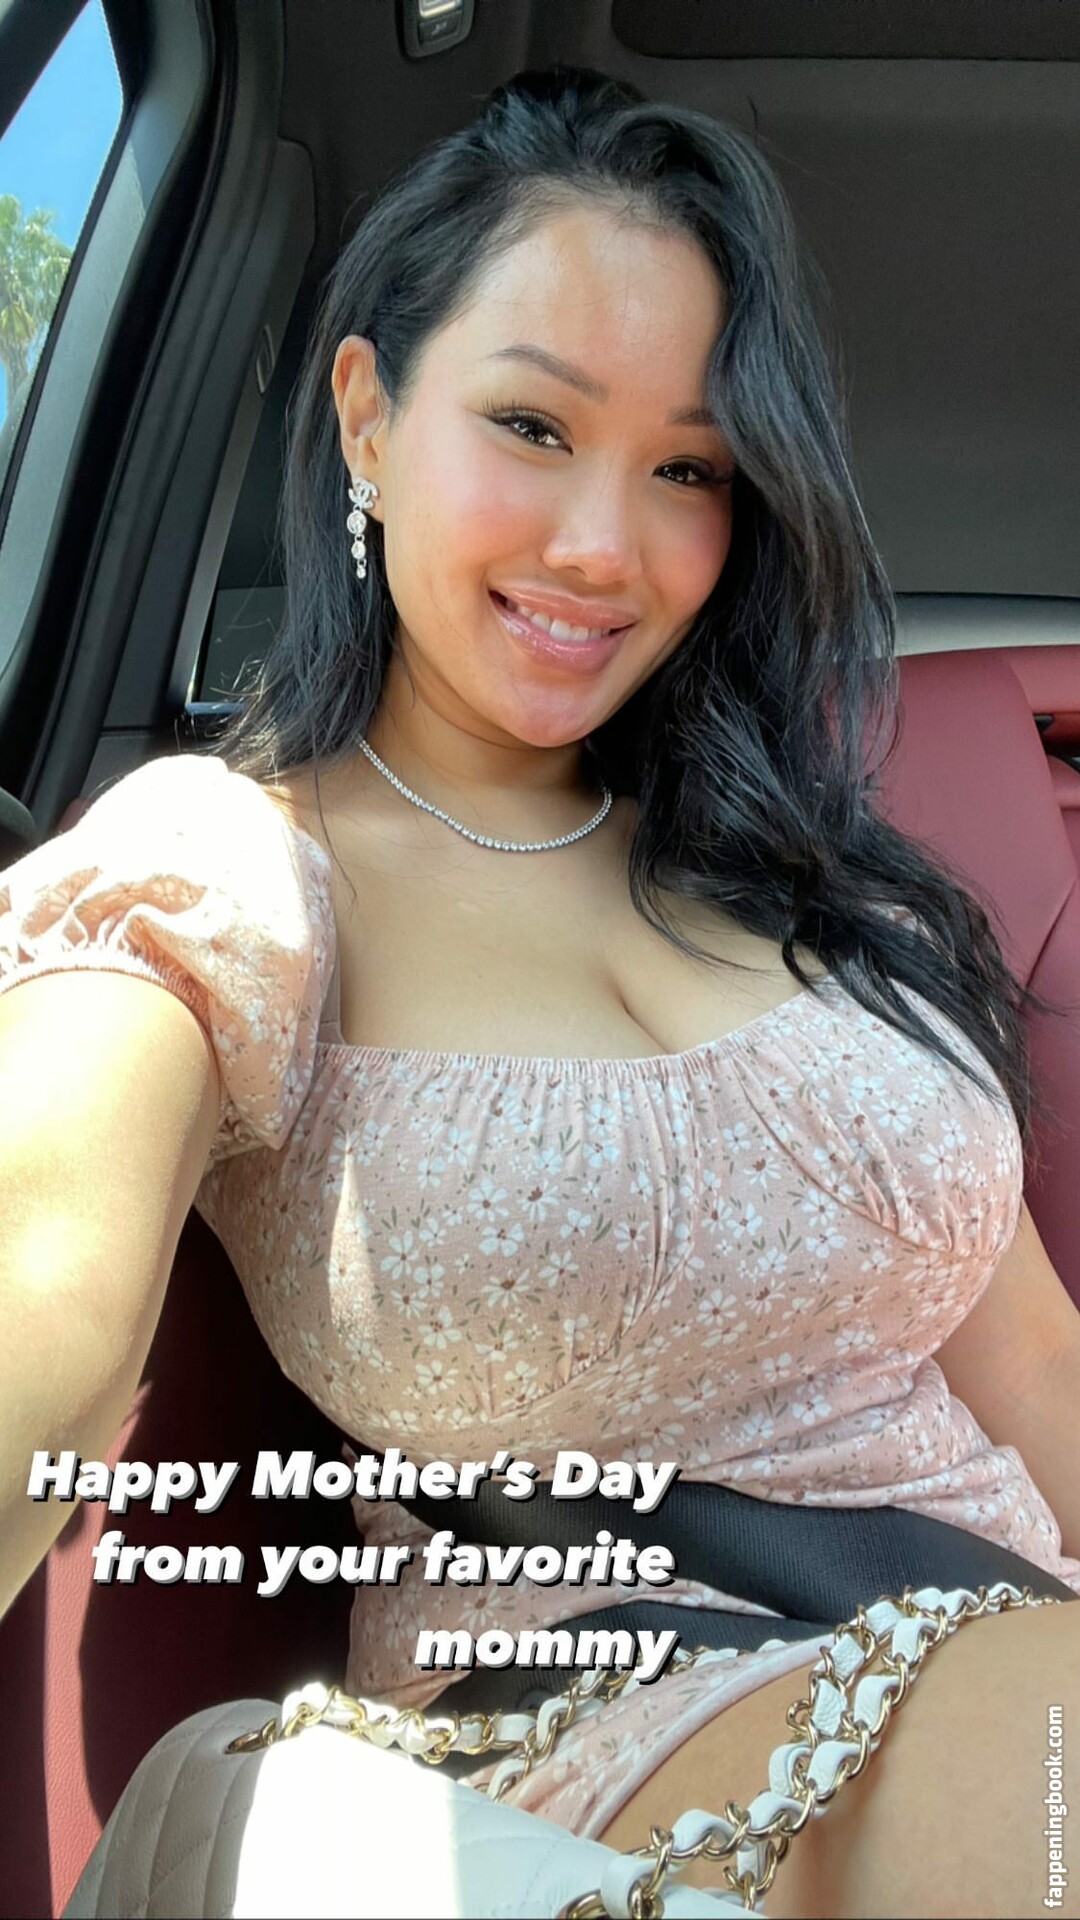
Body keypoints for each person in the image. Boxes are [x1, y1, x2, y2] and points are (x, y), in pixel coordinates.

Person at [1, 63, 1078, 1919]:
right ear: (366, 416)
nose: (604, 546)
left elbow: (1037, 1363)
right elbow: (44, 1291)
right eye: (531, 424)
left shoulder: (807, 882)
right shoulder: (230, 860)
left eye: (688, 470)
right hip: (583, 1711)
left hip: (1015, 1634)